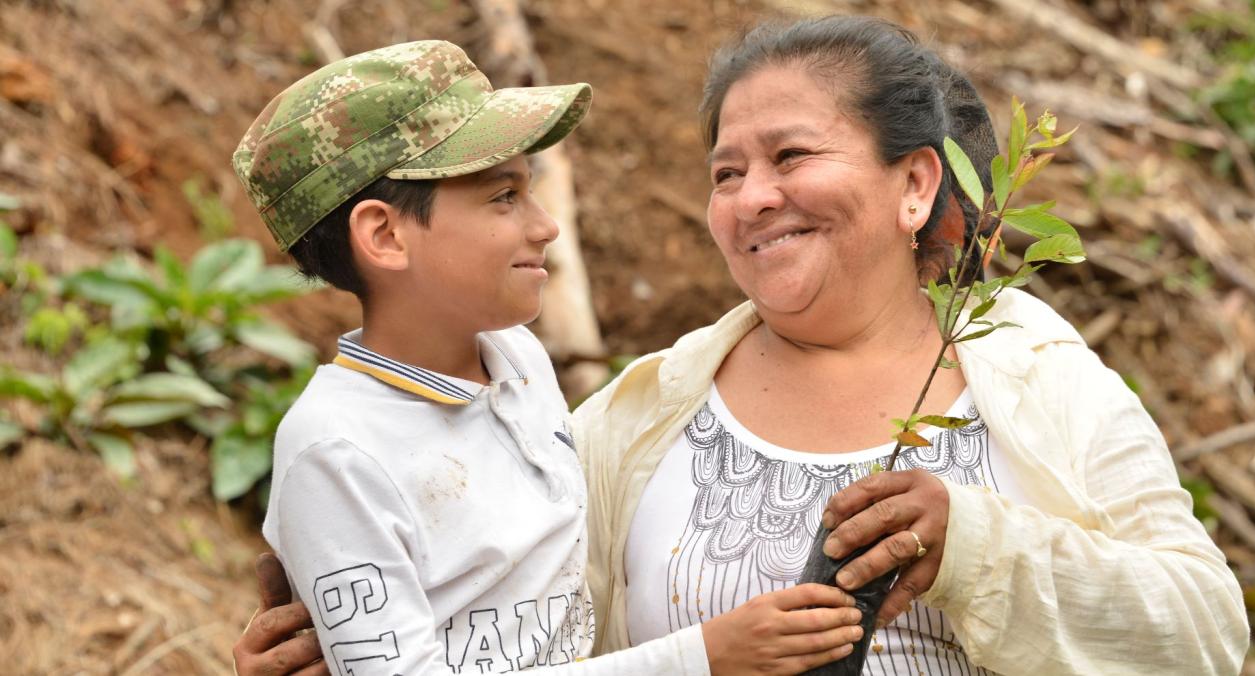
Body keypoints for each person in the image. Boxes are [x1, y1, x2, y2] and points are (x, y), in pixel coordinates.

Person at [235, 17, 1250, 676]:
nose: (753, 196)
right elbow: (514, 624)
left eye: (792, 156)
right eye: (727, 173)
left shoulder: (1034, 376)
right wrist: (335, 647)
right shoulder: (641, 417)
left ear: (915, 185)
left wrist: (975, 550)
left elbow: (1206, 631)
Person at [230, 39, 862, 676]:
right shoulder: (337, 452)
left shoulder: (518, 360)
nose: (545, 225)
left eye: (529, 190)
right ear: (385, 234)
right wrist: (701, 657)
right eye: (503, 197)